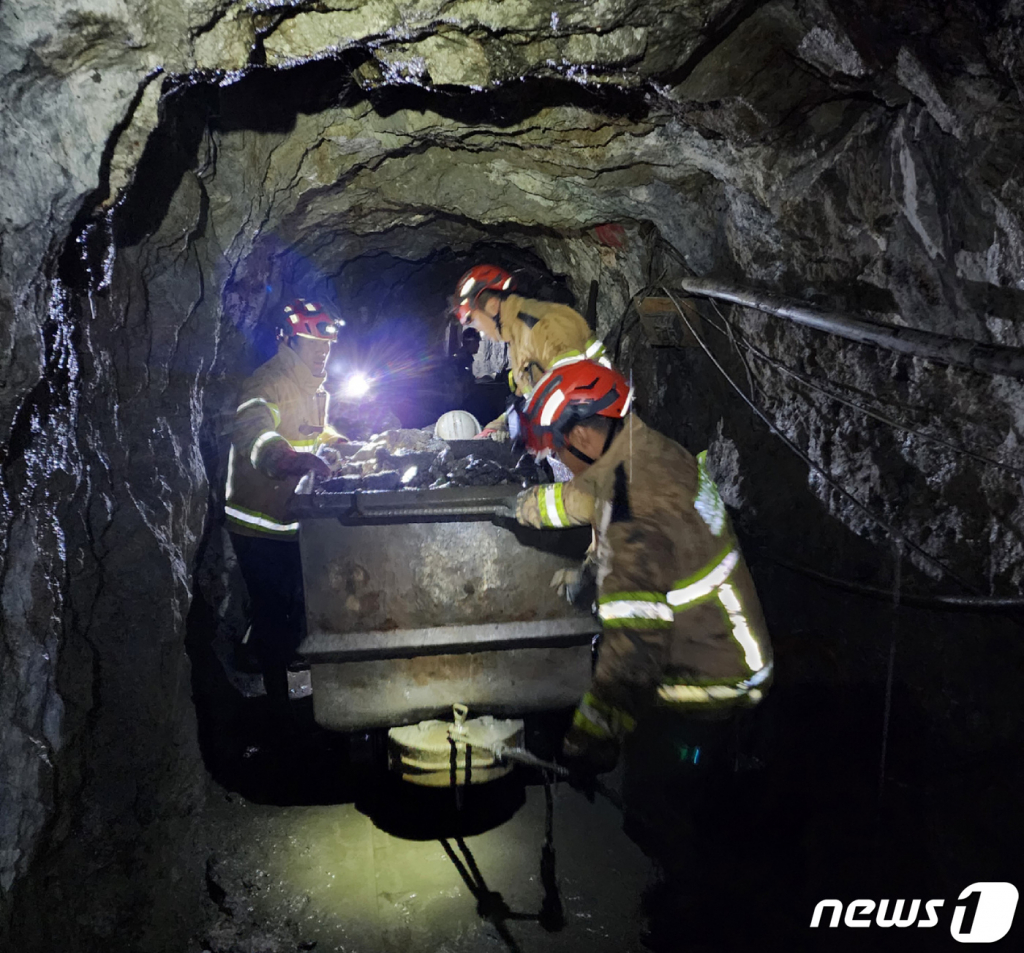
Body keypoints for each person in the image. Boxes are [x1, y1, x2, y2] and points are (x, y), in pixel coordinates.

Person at [509, 359, 773, 772]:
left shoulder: (633, 509)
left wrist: (587, 738)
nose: (560, 458)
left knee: (664, 805)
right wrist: (532, 509)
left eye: (557, 447)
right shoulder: (648, 449)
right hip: (734, 646)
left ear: (579, 434)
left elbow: (633, 651)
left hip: (708, 683)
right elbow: (595, 499)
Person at [224, 298, 345, 704]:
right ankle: (276, 705)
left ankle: (287, 677)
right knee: (272, 610)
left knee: (294, 602)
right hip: (258, 522)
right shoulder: (267, 382)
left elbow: (311, 430)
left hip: (291, 518)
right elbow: (254, 431)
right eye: (312, 343)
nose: (322, 351)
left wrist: (336, 442)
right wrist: (286, 459)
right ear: (289, 341)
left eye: (326, 345)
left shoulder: (314, 385)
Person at [451, 265, 610, 439]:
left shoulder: (543, 329)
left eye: (474, 321)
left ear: (492, 306)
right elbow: (526, 397)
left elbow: (575, 398)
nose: (479, 330)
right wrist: (498, 425)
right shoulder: (519, 338)